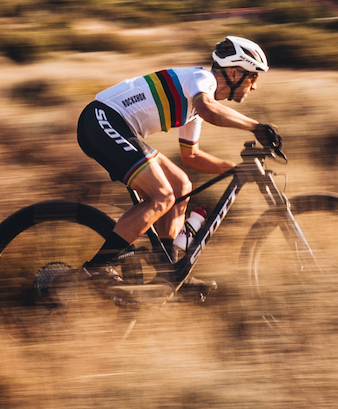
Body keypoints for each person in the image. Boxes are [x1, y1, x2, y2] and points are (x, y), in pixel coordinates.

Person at [75, 36, 281, 290]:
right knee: (162, 196)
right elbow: (209, 110)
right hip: (101, 119)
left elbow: (190, 157)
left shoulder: (197, 104)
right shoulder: (201, 80)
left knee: (180, 185)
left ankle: (168, 272)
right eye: (253, 78)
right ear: (235, 73)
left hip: (118, 126)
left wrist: (234, 170)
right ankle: (96, 268)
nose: (254, 86)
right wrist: (256, 127)